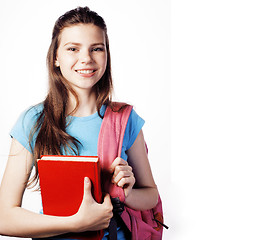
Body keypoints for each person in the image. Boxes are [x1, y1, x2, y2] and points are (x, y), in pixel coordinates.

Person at [0, 6, 158, 240]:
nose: (86, 58)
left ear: (107, 56)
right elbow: (4, 218)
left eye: (97, 48)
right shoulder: (33, 121)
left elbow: (151, 195)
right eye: (73, 48)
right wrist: (77, 223)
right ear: (56, 57)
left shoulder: (124, 118)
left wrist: (127, 193)